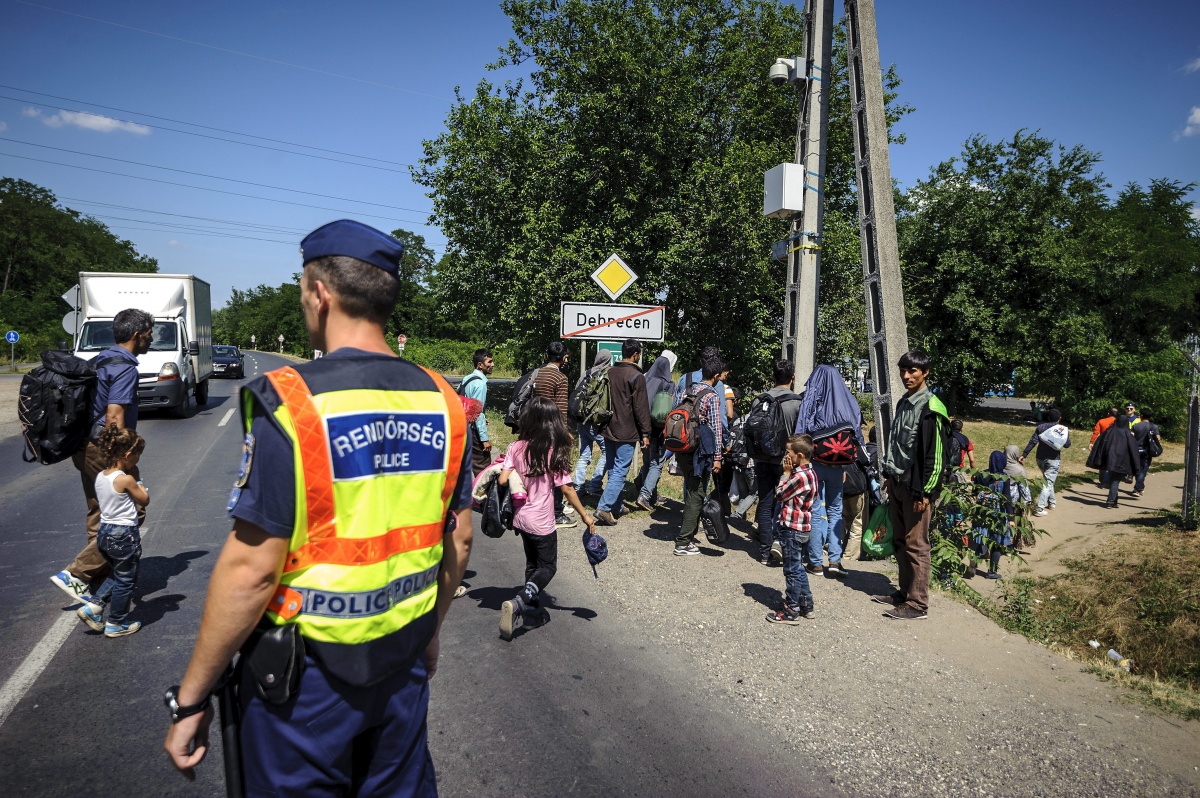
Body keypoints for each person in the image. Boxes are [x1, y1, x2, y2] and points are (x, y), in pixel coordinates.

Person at [164, 220, 474, 795]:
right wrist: (429, 630)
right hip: (401, 662)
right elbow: (458, 540)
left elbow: (253, 571)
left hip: (304, 687)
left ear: (319, 293)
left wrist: (191, 698)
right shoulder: (445, 399)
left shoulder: (290, 398)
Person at [50, 308, 153, 606]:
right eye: (148, 334)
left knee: (100, 510)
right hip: (104, 449)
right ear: (137, 335)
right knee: (132, 508)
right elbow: (114, 415)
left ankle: (96, 582)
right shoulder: (124, 367)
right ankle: (78, 574)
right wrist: (117, 464)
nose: (150, 339)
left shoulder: (100, 359)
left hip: (84, 446)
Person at [498, 397, 595, 640]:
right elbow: (567, 489)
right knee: (548, 567)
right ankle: (520, 601)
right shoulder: (552, 452)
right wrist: (585, 516)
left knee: (532, 564)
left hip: (520, 519)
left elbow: (502, 480)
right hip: (541, 522)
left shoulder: (515, 447)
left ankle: (531, 611)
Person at [873, 350, 949, 621]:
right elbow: (897, 445)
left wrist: (925, 492)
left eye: (913, 371)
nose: (906, 376)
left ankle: (918, 604)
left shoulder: (932, 407)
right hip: (897, 483)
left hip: (917, 489)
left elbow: (936, 457)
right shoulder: (905, 402)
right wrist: (889, 477)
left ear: (925, 372)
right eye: (904, 371)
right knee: (900, 541)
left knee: (917, 545)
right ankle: (904, 593)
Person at [75, 425, 150, 637]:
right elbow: (144, 499)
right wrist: (140, 484)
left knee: (118, 572)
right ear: (127, 455)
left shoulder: (101, 476)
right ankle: (116, 622)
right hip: (123, 533)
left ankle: (95, 606)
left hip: (104, 533)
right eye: (137, 456)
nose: (138, 460)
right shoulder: (125, 479)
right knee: (127, 579)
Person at [751, 359, 803, 566]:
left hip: (762, 457)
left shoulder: (759, 400)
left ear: (773, 377)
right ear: (793, 377)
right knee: (786, 504)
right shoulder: (797, 403)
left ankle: (765, 552)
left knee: (764, 503)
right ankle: (781, 546)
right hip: (787, 460)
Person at [594, 339, 651, 526]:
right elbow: (641, 409)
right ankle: (604, 508)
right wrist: (645, 433)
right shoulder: (636, 376)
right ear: (635, 355)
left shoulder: (609, 372)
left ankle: (617, 505)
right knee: (620, 470)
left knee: (612, 468)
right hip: (626, 430)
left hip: (608, 427)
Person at [672, 351, 724, 555]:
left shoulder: (688, 389)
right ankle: (683, 543)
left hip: (683, 446)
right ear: (717, 376)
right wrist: (717, 457)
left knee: (692, 491)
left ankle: (689, 535)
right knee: (697, 494)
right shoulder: (712, 396)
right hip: (700, 452)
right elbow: (716, 428)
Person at [765, 434, 817, 624]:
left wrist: (785, 474)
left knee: (791, 570)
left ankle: (791, 610)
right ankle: (806, 604)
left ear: (800, 455)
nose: (786, 457)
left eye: (789, 453)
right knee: (798, 568)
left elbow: (780, 494)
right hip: (803, 527)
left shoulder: (798, 476)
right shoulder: (811, 472)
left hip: (792, 527)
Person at [533, 341, 575, 528]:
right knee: (558, 467)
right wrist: (565, 432)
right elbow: (561, 409)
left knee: (540, 466)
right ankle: (557, 511)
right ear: (563, 357)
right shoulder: (560, 378)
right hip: (552, 429)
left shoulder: (538, 373)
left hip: (535, 426)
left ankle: (540, 504)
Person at [634, 349, 675, 511]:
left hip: (643, 428)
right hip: (658, 429)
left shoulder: (644, 378)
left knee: (647, 460)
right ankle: (644, 495)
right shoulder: (669, 384)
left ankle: (650, 493)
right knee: (657, 463)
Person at [572, 349, 613, 496]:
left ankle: (578, 486)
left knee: (584, 454)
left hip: (582, 419)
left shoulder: (587, 372)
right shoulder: (607, 374)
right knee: (607, 452)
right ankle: (595, 485)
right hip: (596, 421)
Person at [1022, 408, 1070, 517]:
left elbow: (1033, 441)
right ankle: (1039, 508)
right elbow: (1067, 445)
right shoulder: (1063, 430)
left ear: (1048, 417)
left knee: (1048, 481)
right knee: (1048, 482)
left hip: (1040, 458)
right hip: (1053, 459)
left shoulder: (1041, 427)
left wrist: (1024, 455)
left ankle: (1052, 503)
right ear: (1060, 419)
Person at [1086, 413, 1141, 508]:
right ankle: (1111, 501)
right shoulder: (1127, 433)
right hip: (1122, 460)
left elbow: (1100, 443)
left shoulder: (1109, 431)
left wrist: (1099, 458)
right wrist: (1136, 465)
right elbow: (1133, 449)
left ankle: (1114, 500)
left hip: (1109, 459)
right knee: (1115, 480)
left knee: (1114, 480)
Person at [458, 348, 494, 477]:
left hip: (463, 427)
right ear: (480, 365)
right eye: (489, 362)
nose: (492, 365)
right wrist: (484, 439)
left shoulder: (467, 378)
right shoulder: (480, 384)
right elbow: (477, 413)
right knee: (483, 469)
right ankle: (482, 496)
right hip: (474, 432)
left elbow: (463, 401)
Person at [1131, 411, 1161, 498]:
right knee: (1143, 470)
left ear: (1141, 416)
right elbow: (1158, 438)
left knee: (1137, 469)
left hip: (1136, 450)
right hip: (1147, 451)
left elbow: (1131, 437)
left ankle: (1140, 488)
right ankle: (1137, 489)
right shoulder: (1154, 426)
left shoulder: (1136, 426)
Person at [1089, 407, 1119, 488]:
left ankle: (1103, 480)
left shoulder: (1102, 421)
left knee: (1101, 460)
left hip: (1103, 443)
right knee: (1111, 461)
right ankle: (1109, 480)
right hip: (1114, 443)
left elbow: (1096, 432)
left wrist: (1091, 442)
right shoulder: (1118, 422)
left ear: (1108, 413)